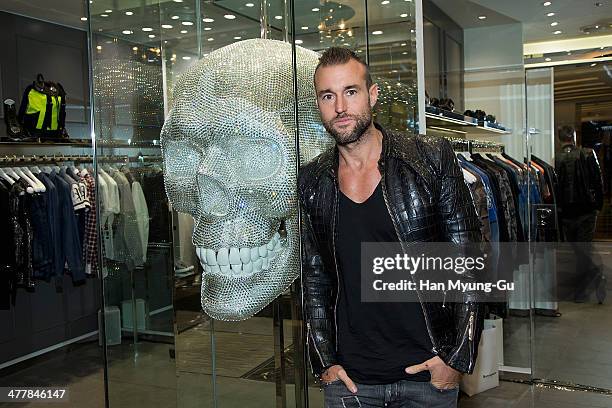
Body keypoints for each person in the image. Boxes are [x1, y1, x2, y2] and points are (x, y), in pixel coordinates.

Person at [298, 47, 484, 408]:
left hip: (427, 376)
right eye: (328, 96)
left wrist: (456, 358)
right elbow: (314, 278)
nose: (340, 107)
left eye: (350, 92)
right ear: (318, 104)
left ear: (372, 95)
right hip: (350, 383)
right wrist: (324, 361)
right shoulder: (311, 180)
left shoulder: (430, 157)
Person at [555, 125, 606, 304]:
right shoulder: (588, 154)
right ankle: (590, 282)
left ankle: (585, 285)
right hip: (586, 210)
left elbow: (556, 189)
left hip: (567, 213)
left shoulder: (556, 159)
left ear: (560, 139)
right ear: (574, 137)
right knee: (582, 251)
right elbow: (598, 181)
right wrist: (598, 205)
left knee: (577, 251)